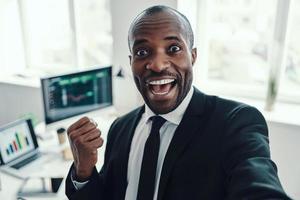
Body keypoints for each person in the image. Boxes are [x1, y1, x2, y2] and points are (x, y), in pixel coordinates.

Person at [65, 5, 290, 200]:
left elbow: (258, 186)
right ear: (131, 62)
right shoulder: (119, 128)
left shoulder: (235, 123)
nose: (157, 64)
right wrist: (83, 171)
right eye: (143, 52)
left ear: (192, 56)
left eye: (173, 49)